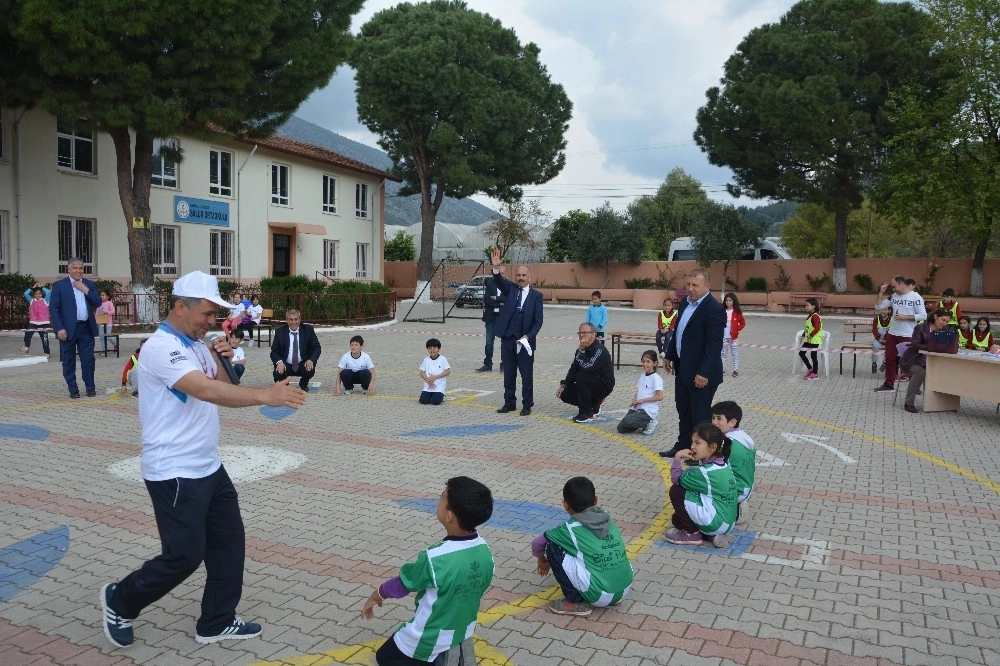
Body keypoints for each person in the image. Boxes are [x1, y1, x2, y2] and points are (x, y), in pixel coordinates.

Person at [99, 271, 307, 649]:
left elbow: (225, 384)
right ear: (181, 306)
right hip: (174, 472)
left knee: (229, 543)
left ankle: (216, 621)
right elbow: (205, 390)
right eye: (208, 313)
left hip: (209, 465)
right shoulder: (161, 347)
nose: (213, 321)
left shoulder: (196, 343)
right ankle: (120, 599)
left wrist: (224, 358)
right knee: (183, 556)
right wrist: (267, 397)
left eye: (215, 315)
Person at [361, 476, 494, 665]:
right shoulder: (484, 550)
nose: (437, 502)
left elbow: (404, 583)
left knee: (384, 657)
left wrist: (377, 594)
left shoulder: (434, 558)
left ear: (449, 516)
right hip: (464, 628)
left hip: (428, 636)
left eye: (441, 498)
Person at [531, 476, 633, 617]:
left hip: (597, 595)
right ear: (596, 500)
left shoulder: (570, 528)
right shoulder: (608, 519)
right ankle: (614, 598)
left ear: (565, 505)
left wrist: (542, 561)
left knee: (552, 546)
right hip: (624, 588)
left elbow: (537, 543)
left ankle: (576, 602)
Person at [659, 268, 726, 459]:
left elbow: (714, 345)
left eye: (695, 285)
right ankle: (683, 446)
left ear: (707, 286)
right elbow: (679, 332)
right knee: (684, 411)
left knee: (701, 417)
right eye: (688, 285)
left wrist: (704, 372)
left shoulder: (714, 310)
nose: (690, 289)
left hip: (701, 375)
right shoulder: (685, 305)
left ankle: (702, 455)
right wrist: (669, 355)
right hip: (683, 370)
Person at [665, 422, 737, 548]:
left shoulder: (705, 472)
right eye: (692, 442)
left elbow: (676, 479)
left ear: (712, 447)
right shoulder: (724, 466)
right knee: (677, 519)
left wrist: (677, 458)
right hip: (728, 523)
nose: (692, 446)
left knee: (676, 491)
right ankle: (712, 536)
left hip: (715, 521)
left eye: (698, 443)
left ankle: (691, 534)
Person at [489, 248, 543, 416]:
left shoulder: (537, 296)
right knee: (509, 374)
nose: (520, 278)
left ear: (529, 278)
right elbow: (499, 281)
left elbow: (538, 321)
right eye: (518, 275)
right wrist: (496, 268)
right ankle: (509, 403)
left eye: (523, 276)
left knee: (526, 376)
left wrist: (528, 336)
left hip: (525, 343)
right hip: (507, 340)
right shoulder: (510, 289)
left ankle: (527, 404)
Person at [49, 257, 101, 398]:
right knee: (68, 360)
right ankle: (73, 389)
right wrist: (59, 328)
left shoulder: (89, 284)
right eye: (75, 268)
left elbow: (97, 301)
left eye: (80, 268)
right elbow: (54, 309)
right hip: (67, 330)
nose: (78, 271)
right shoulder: (60, 286)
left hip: (86, 328)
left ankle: (90, 387)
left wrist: (86, 290)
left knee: (88, 360)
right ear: (69, 269)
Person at [900, 308, 959, 413]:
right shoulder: (920, 328)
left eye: (947, 321)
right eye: (943, 320)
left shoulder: (945, 331)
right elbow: (915, 344)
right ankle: (908, 403)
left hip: (932, 362)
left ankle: (943, 403)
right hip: (913, 361)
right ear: (935, 317)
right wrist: (932, 347)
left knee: (946, 371)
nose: (944, 323)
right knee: (921, 372)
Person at [874, 276, 926, 392]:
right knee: (890, 358)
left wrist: (905, 317)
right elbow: (878, 306)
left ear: (902, 284)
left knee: (909, 360)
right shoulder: (894, 296)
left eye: (894, 286)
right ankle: (888, 384)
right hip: (893, 333)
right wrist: (881, 292)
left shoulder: (915, 297)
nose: (893, 289)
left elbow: (923, 315)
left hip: (908, 333)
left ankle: (914, 386)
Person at [556, 322, 615, 423]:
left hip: (604, 384)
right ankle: (595, 402)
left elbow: (586, 367)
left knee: (581, 376)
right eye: (579, 333)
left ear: (593, 334)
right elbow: (574, 368)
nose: (581, 335)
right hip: (589, 381)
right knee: (565, 394)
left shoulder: (599, 350)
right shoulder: (581, 349)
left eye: (584, 332)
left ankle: (586, 413)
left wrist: (581, 350)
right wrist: (564, 385)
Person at [710, 401, 755, 523]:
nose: (714, 422)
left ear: (732, 422)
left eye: (719, 418)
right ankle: (738, 503)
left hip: (734, 490)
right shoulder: (743, 437)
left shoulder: (725, 443)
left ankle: (732, 511)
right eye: (713, 418)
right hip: (747, 487)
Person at [270, 309, 321, 392]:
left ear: (300, 319)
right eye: (290, 319)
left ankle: (303, 383)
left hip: (303, 363)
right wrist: (279, 362)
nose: (293, 322)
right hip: (285, 364)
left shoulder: (308, 330)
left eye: (296, 319)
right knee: (277, 373)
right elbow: (274, 351)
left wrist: (311, 360)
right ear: (286, 320)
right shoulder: (280, 332)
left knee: (310, 370)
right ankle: (284, 384)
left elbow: (316, 348)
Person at [616, 350, 663, 436]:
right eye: (643, 361)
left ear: (655, 363)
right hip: (639, 408)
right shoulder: (643, 375)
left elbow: (659, 397)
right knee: (621, 428)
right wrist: (634, 400)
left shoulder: (656, 378)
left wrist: (641, 400)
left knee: (627, 421)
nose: (645, 364)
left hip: (648, 410)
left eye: (648, 362)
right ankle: (643, 423)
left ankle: (650, 421)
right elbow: (639, 391)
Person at [476, 267, 504, 372]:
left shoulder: (508, 286)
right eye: (499, 273)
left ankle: (504, 365)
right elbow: (487, 299)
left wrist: (496, 299)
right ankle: (488, 364)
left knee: (504, 343)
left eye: (503, 273)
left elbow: (508, 300)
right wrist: (500, 303)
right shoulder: (490, 285)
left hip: (503, 318)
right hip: (491, 318)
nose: (501, 275)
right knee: (489, 343)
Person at [418, 338, 450, 405]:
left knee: (435, 402)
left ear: (439, 349)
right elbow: (421, 372)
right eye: (430, 348)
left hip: (439, 386)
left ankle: (442, 395)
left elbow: (448, 371)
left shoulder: (442, 359)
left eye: (434, 348)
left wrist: (434, 377)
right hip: (428, 385)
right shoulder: (426, 360)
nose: (432, 350)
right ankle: (430, 394)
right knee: (423, 401)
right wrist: (428, 381)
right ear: (427, 349)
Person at [21, 286, 51, 357]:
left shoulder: (45, 300)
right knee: (28, 334)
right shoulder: (32, 301)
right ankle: (26, 347)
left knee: (44, 339)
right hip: (33, 322)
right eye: (36, 294)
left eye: (40, 293)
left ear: (42, 294)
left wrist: (41, 287)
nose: (38, 295)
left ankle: (47, 353)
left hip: (43, 323)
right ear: (34, 295)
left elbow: (49, 292)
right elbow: (25, 294)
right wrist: (31, 288)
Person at [798, 297, 823, 381]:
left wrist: (810, 336)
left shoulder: (815, 316)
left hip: (814, 340)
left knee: (813, 356)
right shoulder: (809, 316)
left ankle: (815, 374)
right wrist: (803, 335)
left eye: (807, 305)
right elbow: (807, 328)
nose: (806, 307)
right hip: (808, 340)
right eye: (806, 305)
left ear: (813, 306)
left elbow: (817, 328)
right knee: (801, 353)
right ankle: (810, 369)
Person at [721, 293, 746, 377]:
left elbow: (743, 323)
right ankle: (722, 369)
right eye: (726, 300)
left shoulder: (737, 313)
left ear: (733, 301)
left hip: (733, 338)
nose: (728, 302)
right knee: (723, 353)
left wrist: (736, 329)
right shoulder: (722, 311)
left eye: (730, 300)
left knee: (734, 353)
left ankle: (735, 370)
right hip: (723, 337)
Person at [871, 301, 892, 373]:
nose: (883, 311)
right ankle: (874, 363)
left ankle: (884, 363)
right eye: (882, 309)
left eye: (885, 309)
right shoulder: (876, 319)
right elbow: (874, 330)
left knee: (890, 347)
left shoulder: (892, 320)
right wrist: (879, 339)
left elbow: (891, 331)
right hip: (878, 339)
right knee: (875, 346)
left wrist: (885, 339)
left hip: (887, 339)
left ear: (889, 311)